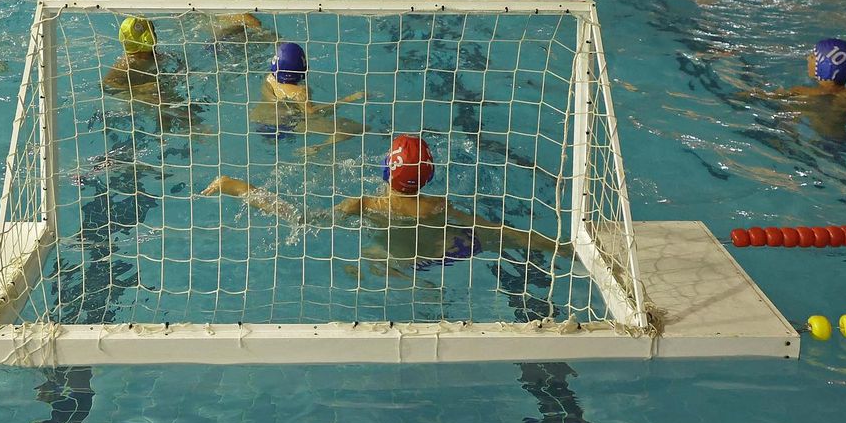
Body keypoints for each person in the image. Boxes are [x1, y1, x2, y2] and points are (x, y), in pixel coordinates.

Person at [201, 135, 571, 277]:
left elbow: (302, 219)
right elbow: (496, 230)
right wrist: (556, 245)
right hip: (440, 255)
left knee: (364, 261)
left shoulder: (364, 204)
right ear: (428, 175)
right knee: (488, 236)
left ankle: (392, 275)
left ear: (384, 169)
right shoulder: (438, 206)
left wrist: (238, 187)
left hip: (392, 260)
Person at [248, 41, 366, 148]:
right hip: (284, 126)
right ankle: (317, 147)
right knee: (351, 127)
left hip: (258, 121)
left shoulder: (270, 78)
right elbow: (314, 114)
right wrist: (350, 98)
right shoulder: (299, 92)